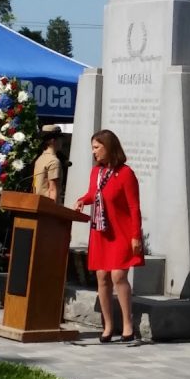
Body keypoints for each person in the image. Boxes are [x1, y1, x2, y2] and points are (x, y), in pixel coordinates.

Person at [74, 129, 144, 343]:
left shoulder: (125, 173)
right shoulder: (97, 172)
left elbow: (134, 208)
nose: (94, 152)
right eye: (92, 148)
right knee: (102, 277)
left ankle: (127, 325)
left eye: (97, 147)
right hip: (101, 232)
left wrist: (135, 236)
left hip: (121, 234)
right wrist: (82, 201)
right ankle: (108, 326)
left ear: (109, 147)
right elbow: (93, 194)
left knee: (118, 276)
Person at [33, 126, 63, 202]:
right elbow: (52, 189)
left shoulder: (40, 159)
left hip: (36, 202)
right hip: (47, 206)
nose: (61, 141)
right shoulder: (54, 161)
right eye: (60, 138)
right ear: (53, 140)